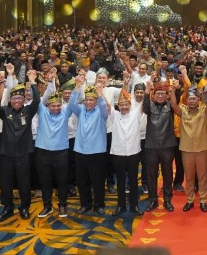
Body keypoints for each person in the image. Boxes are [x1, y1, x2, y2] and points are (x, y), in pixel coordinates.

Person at [0, 67, 41, 220]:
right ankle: (8, 207)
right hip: (6, 154)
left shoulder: (28, 111)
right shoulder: (5, 112)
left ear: (23, 100)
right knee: (6, 183)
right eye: (14, 99)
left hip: (23, 154)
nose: (16, 101)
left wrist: (32, 82)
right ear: (10, 101)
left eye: (19, 98)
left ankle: (24, 207)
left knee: (24, 182)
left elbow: (37, 100)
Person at [169, 67, 207, 212]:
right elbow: (174, 105)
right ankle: (190, 200)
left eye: (194, 98)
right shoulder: (182, 111)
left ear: (198, 100)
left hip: (202, 149)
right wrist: (172, 91)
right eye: (189, 99)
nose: (191, 101)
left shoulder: (204, 111)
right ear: (187, 100)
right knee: (189, 177)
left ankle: (203, 200)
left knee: (202, 177)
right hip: (186, 149)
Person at [35, 71, 75, 218]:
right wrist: (48, 82)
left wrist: (78, 86)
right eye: (53, 106)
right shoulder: (42, 111)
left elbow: (73, 101)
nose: (56, 108)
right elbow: (39, 98)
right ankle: (47, 206)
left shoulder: (65, 112)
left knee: (62, 180)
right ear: (48, 105)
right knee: (45, 181)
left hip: (61, 153)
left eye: (58, 105)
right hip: (43, 152)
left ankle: (62, 205)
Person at [68, 77, 108, 215]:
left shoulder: (101, 112)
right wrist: (77, 87)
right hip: (80, 151)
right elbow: (71, 104)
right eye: (87, 100)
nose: (89, 102)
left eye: (91, 100)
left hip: (97, 152)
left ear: (96, 101)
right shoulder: (80, 110)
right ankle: (85, 204)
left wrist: (100, 94)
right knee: (82, 181)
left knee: (98, 181)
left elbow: (104, 108)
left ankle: (99, 205)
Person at [109, 87, 144, 217]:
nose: (124, 107)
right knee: (120, 180)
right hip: (118, 153)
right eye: (121, 105)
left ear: (130, 105)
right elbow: (105, 105)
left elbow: (144, 102)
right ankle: (121, 205)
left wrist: (147, 89)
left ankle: (134, 205)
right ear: (118, 106)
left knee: (133, 180)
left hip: (134, 152)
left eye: (126, 104)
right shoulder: (114, 115)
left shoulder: (136, 114)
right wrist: (100, 93)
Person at [143, 78, 176, 213]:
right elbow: (145, 105)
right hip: (151, 146)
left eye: (163, 94)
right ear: (153, 95)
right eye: (158, 94)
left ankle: (167, 200)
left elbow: (177, 100)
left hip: (168, 145)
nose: (160, 96)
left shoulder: (171, 106)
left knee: (167, 174)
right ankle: (153, 200)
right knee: (151, 174)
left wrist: (173, 90)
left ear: (167, 95)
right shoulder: (149, 106)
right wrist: (147, 90)